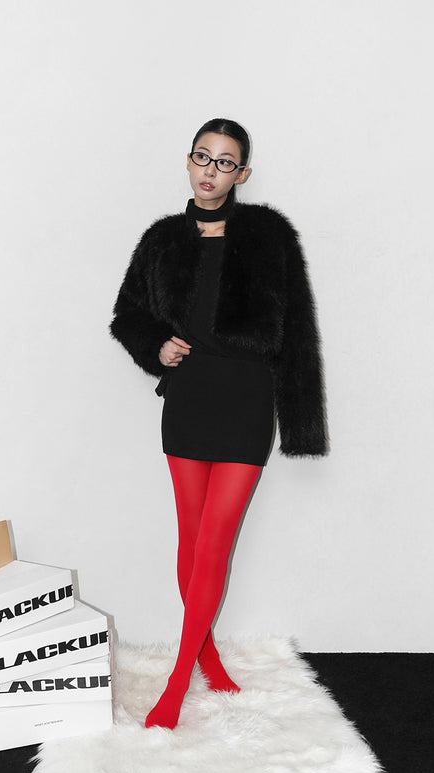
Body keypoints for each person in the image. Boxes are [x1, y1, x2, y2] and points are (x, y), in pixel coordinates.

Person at [110, 118, 327, 729]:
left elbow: (299, 331)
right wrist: (156, 345)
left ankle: (179, 678)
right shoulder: (161, 240)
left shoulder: (267, 235)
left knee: (215, 541)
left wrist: (302, 425)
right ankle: (206, 658)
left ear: (242, 174)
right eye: (203, 157)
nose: (211, 170)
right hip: (189, 399)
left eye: (225, 162)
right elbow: (126, 314)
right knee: (191, 540)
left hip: (247, 400)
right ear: (188, 161)